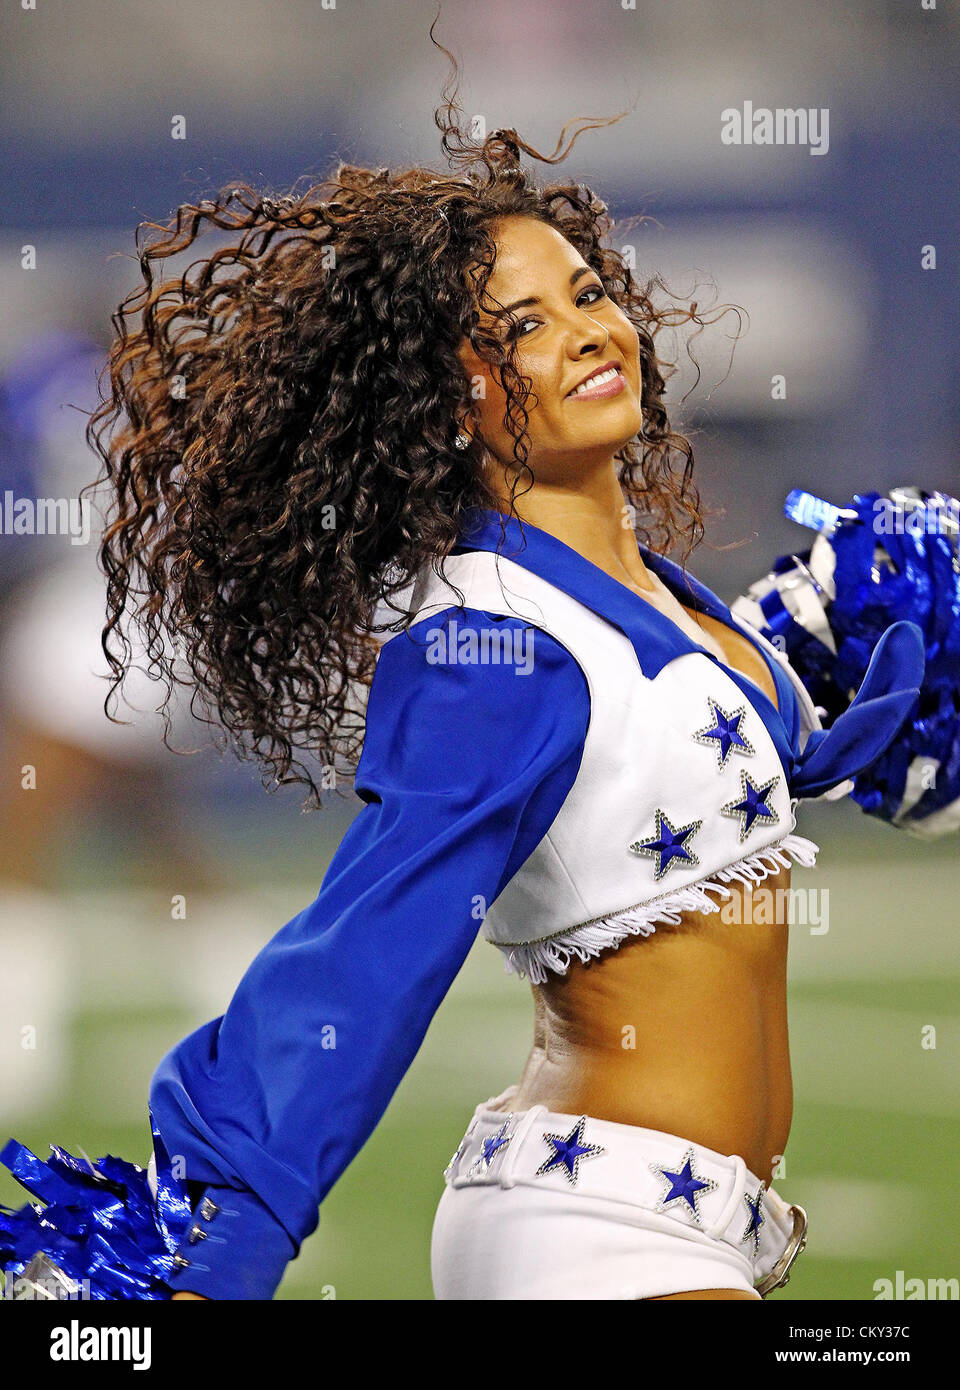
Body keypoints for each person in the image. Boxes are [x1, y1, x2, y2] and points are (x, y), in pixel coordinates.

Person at [0, 49, 945, 1301]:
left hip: (703, 1230)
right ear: (448, 398)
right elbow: (365, 952)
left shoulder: (667, 605)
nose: (588, 332)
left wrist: (885, 653)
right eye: (520, 328)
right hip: (594, 1232)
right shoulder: (494, 644)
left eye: (588, 291)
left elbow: (733, 752)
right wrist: (207, 1236)